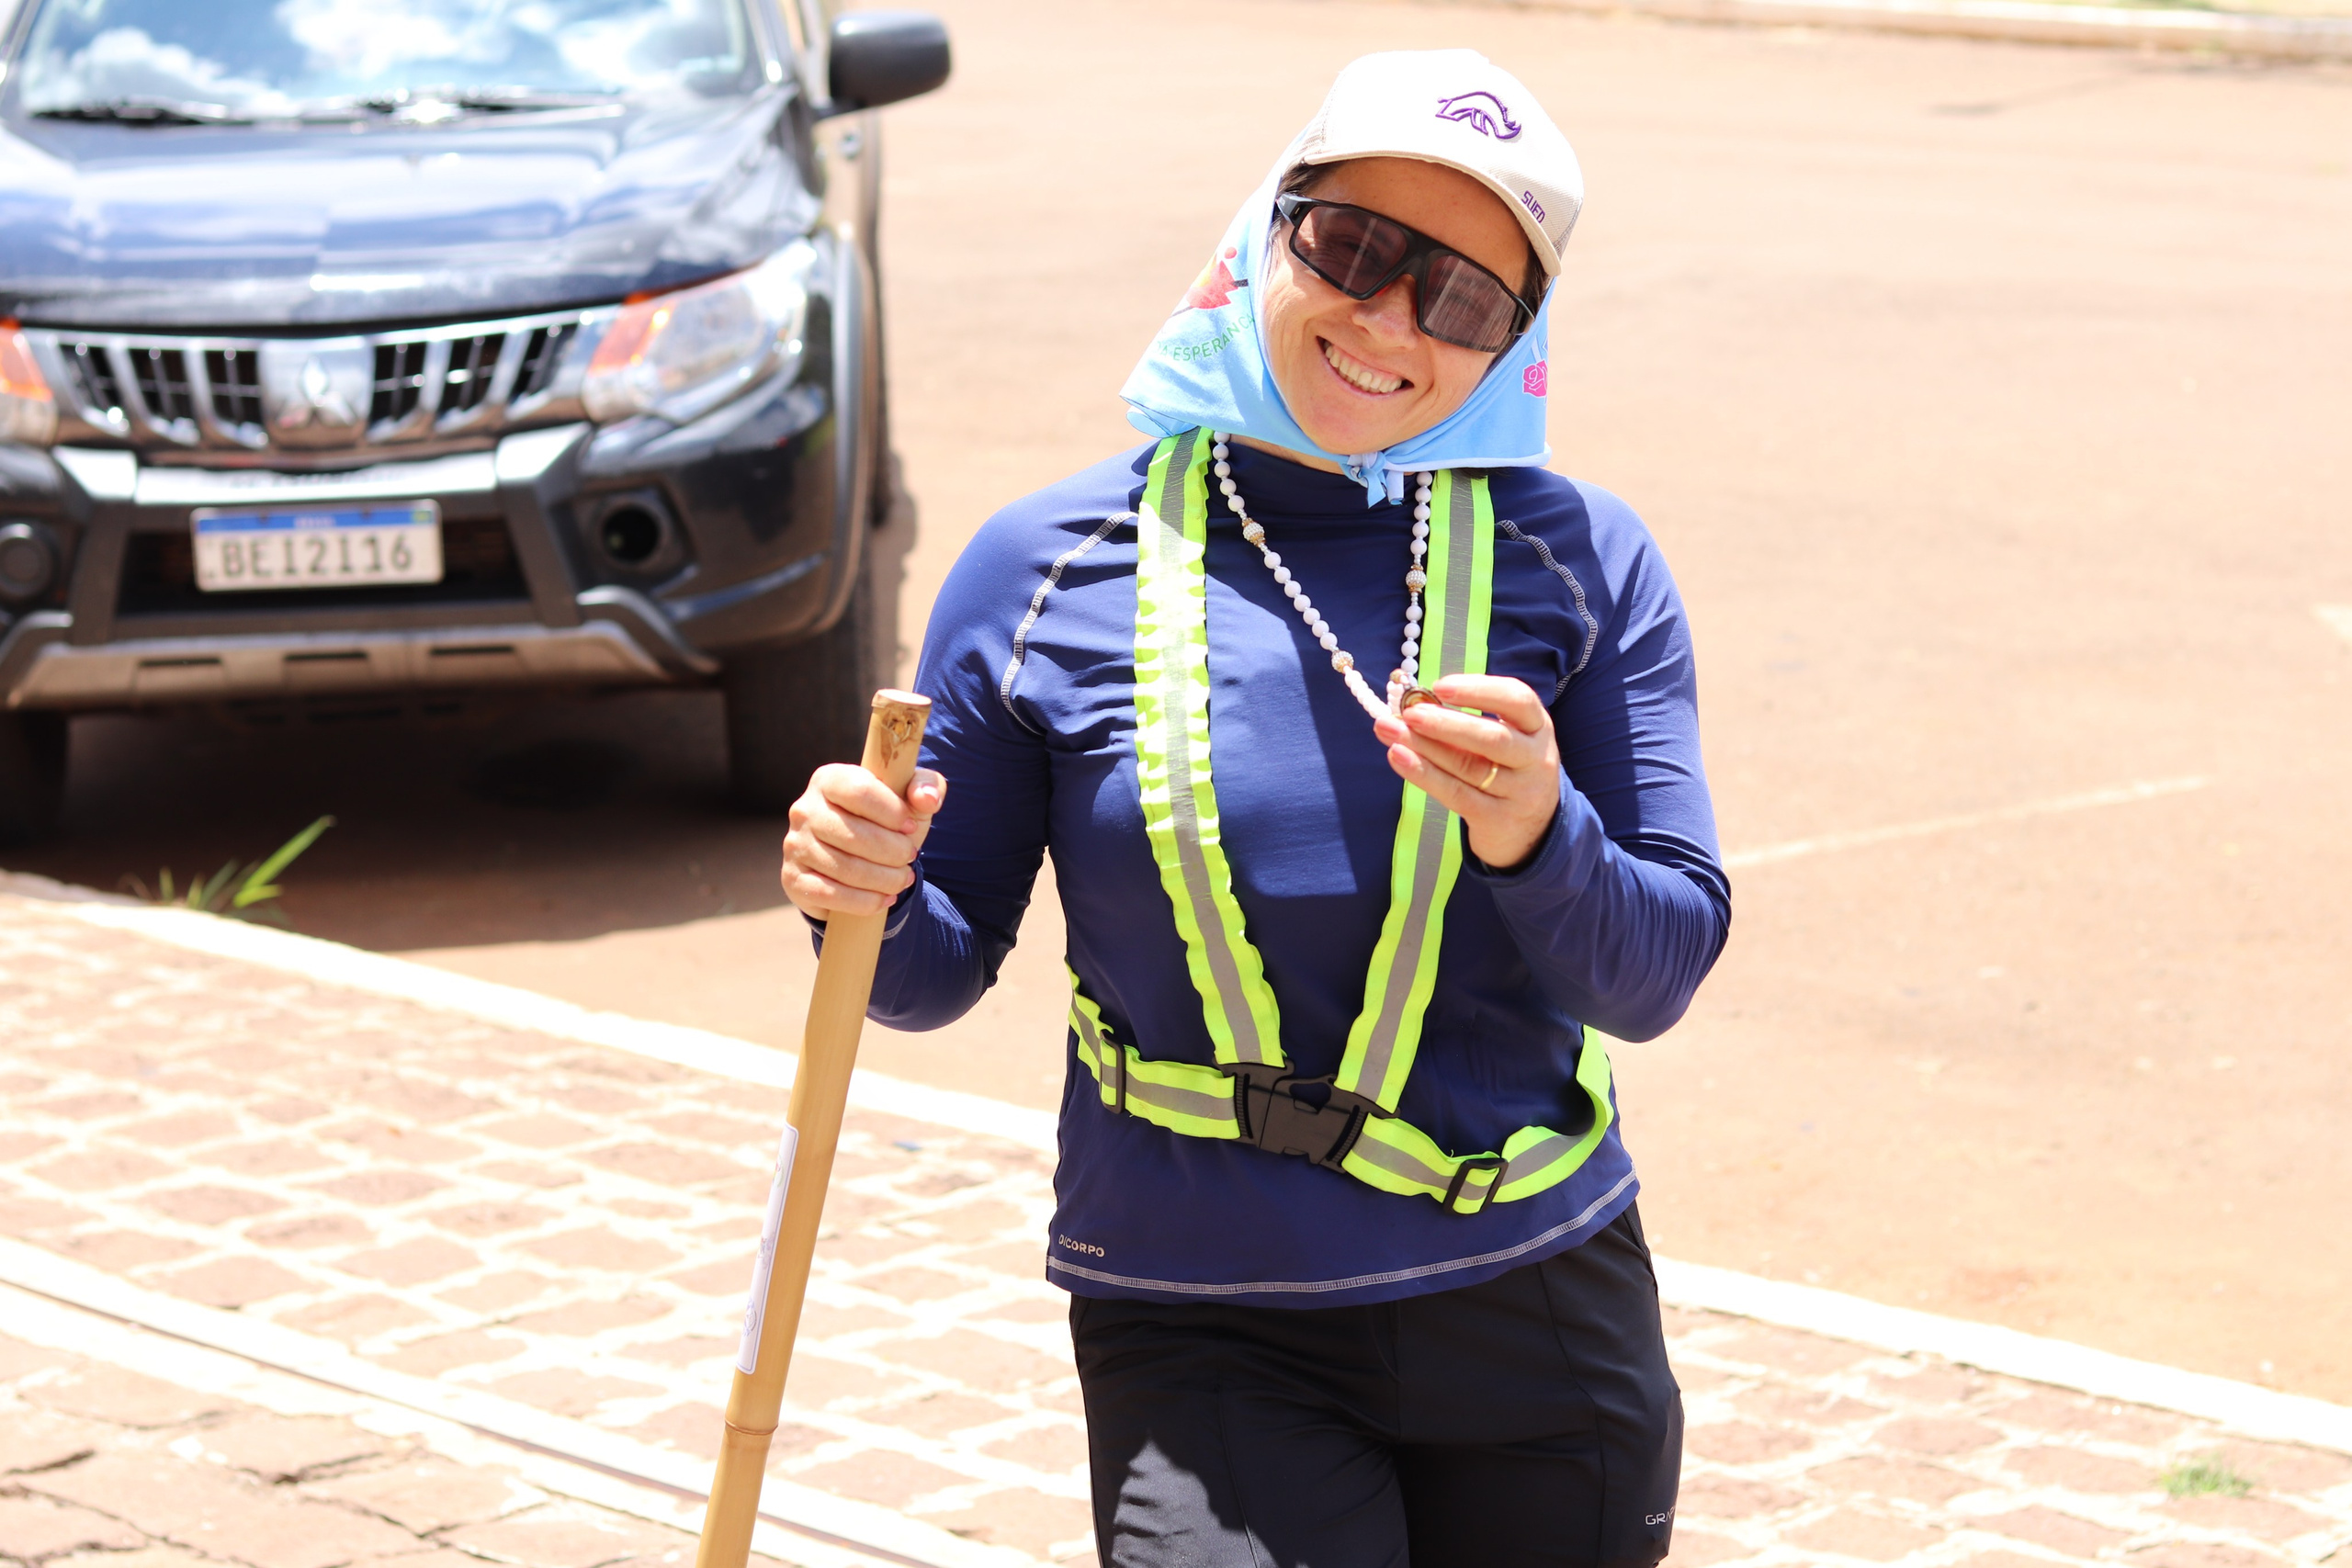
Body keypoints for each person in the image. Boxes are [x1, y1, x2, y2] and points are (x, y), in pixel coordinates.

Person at [779, 49, 1729, 1568]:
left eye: (1465, 300)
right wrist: (857, 891)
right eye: (1356, 248)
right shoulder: (1042, 569)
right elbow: (924, 976)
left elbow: (1660, 971)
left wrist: (1540, 836)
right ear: (1266, 231)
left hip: (1535, 1304)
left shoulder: (1581, 561)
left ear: (1513, 347)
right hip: (1198, 1320)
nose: (1391, 320)